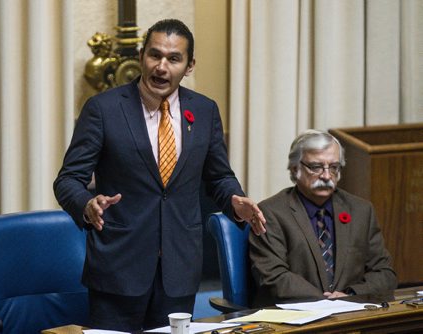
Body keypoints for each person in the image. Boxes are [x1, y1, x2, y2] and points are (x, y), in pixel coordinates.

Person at [54, 19, 266, 331]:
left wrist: (235, 200)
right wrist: (86, 204)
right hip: (119, 268)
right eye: (155, 55)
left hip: (179, 269)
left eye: (174, 59)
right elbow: (68, 180)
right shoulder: (104, 109)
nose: (161, 67)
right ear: (142, 56)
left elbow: (219, 176)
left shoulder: (205, 111)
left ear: (189, 66)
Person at [249, 130, 397, 307]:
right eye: (316, 167)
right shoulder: (271, 212)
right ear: (295, 168)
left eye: (334, 167)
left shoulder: (361, 210)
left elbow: (384, 273)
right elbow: (273, 277)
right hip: (295, 318)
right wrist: (325, 302)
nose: (327, 176)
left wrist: (349, 296)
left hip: (351, 313)